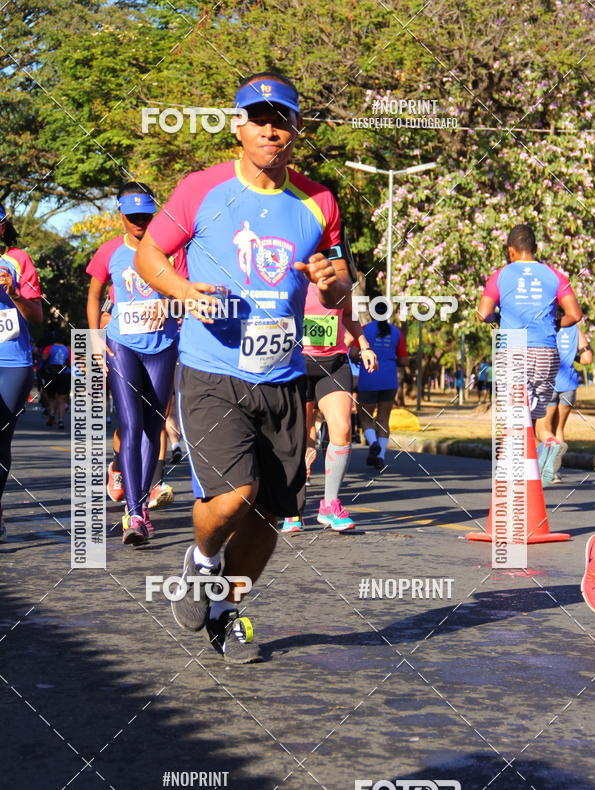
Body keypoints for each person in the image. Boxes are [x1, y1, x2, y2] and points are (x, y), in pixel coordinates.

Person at [135, 71, 351, 663]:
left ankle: (226, 610)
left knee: (270, 514)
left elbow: (339, 285)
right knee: (233, 497)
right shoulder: (200, 189)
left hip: (282, 376)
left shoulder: (320, 201)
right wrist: (182, 289)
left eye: (281, 120)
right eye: (258, 119)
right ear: (238, 127)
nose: (269, 130)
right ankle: (201, 560)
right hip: (212, 370)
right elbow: (149, 253)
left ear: (297, 129)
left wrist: (332, 283)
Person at [86, 181, 183, 545]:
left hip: (163, 346)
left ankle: (140, 502)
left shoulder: (172, 250)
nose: (140, 223)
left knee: (152, 428)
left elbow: (187, 292)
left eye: (146, 216)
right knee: (130, 425)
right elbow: (94, 295)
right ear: (121, 216)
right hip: (122, 346)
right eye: (133, 217)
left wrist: (171, 304)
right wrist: (96, 340)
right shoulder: (109, 251)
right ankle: (135, 512)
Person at [477, 224, 582, 483]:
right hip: (546, 352)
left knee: (513, 415)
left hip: (513, 349)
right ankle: (549, 443)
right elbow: (574, 315)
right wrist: (554, 324)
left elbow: (483, 313)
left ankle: (510, 475)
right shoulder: (555, 276)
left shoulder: (500, 275)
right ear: (535, 248)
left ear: (510, 250)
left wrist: (496, 318)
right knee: (536, 417)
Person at [281, 280, 377, 533]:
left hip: (333, 363)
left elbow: (348, 315)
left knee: (343, 428)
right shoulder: (291, 278)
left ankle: (330, 504)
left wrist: (364, 346)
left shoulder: (338, 282)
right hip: (296, 363)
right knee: (299, 437)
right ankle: (292, 507)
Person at [0, 203, 44, 541]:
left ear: (3, 227)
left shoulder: (18, 260)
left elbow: (36, 317)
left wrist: (14, 293)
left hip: (12, 362)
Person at [357, 303, 409, 471]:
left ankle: (373, 443)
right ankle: (380, 457)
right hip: (389, 380)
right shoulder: (396, 332)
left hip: (369, 378)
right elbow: (404, 360)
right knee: (384, 418)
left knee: (365, 417)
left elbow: (353, 352)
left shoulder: (364, 330)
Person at [542, 324, 593, 484]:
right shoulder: (575, 329)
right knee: (559, 428)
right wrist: (572, 357)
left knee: (545, 428)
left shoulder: (546, 324)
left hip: (548, 380)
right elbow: (587, 358)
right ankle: (555, 472)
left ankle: (547, 469)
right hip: (569, 383)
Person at [40, 336, 71, 429]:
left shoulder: (49, 347)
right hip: (64, 374)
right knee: (62, 399)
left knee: (51, 397)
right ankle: (61, 420)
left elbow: (44, 357)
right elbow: (71, 362)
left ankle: (52, 414)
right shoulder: (68, 349)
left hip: (51, 374)